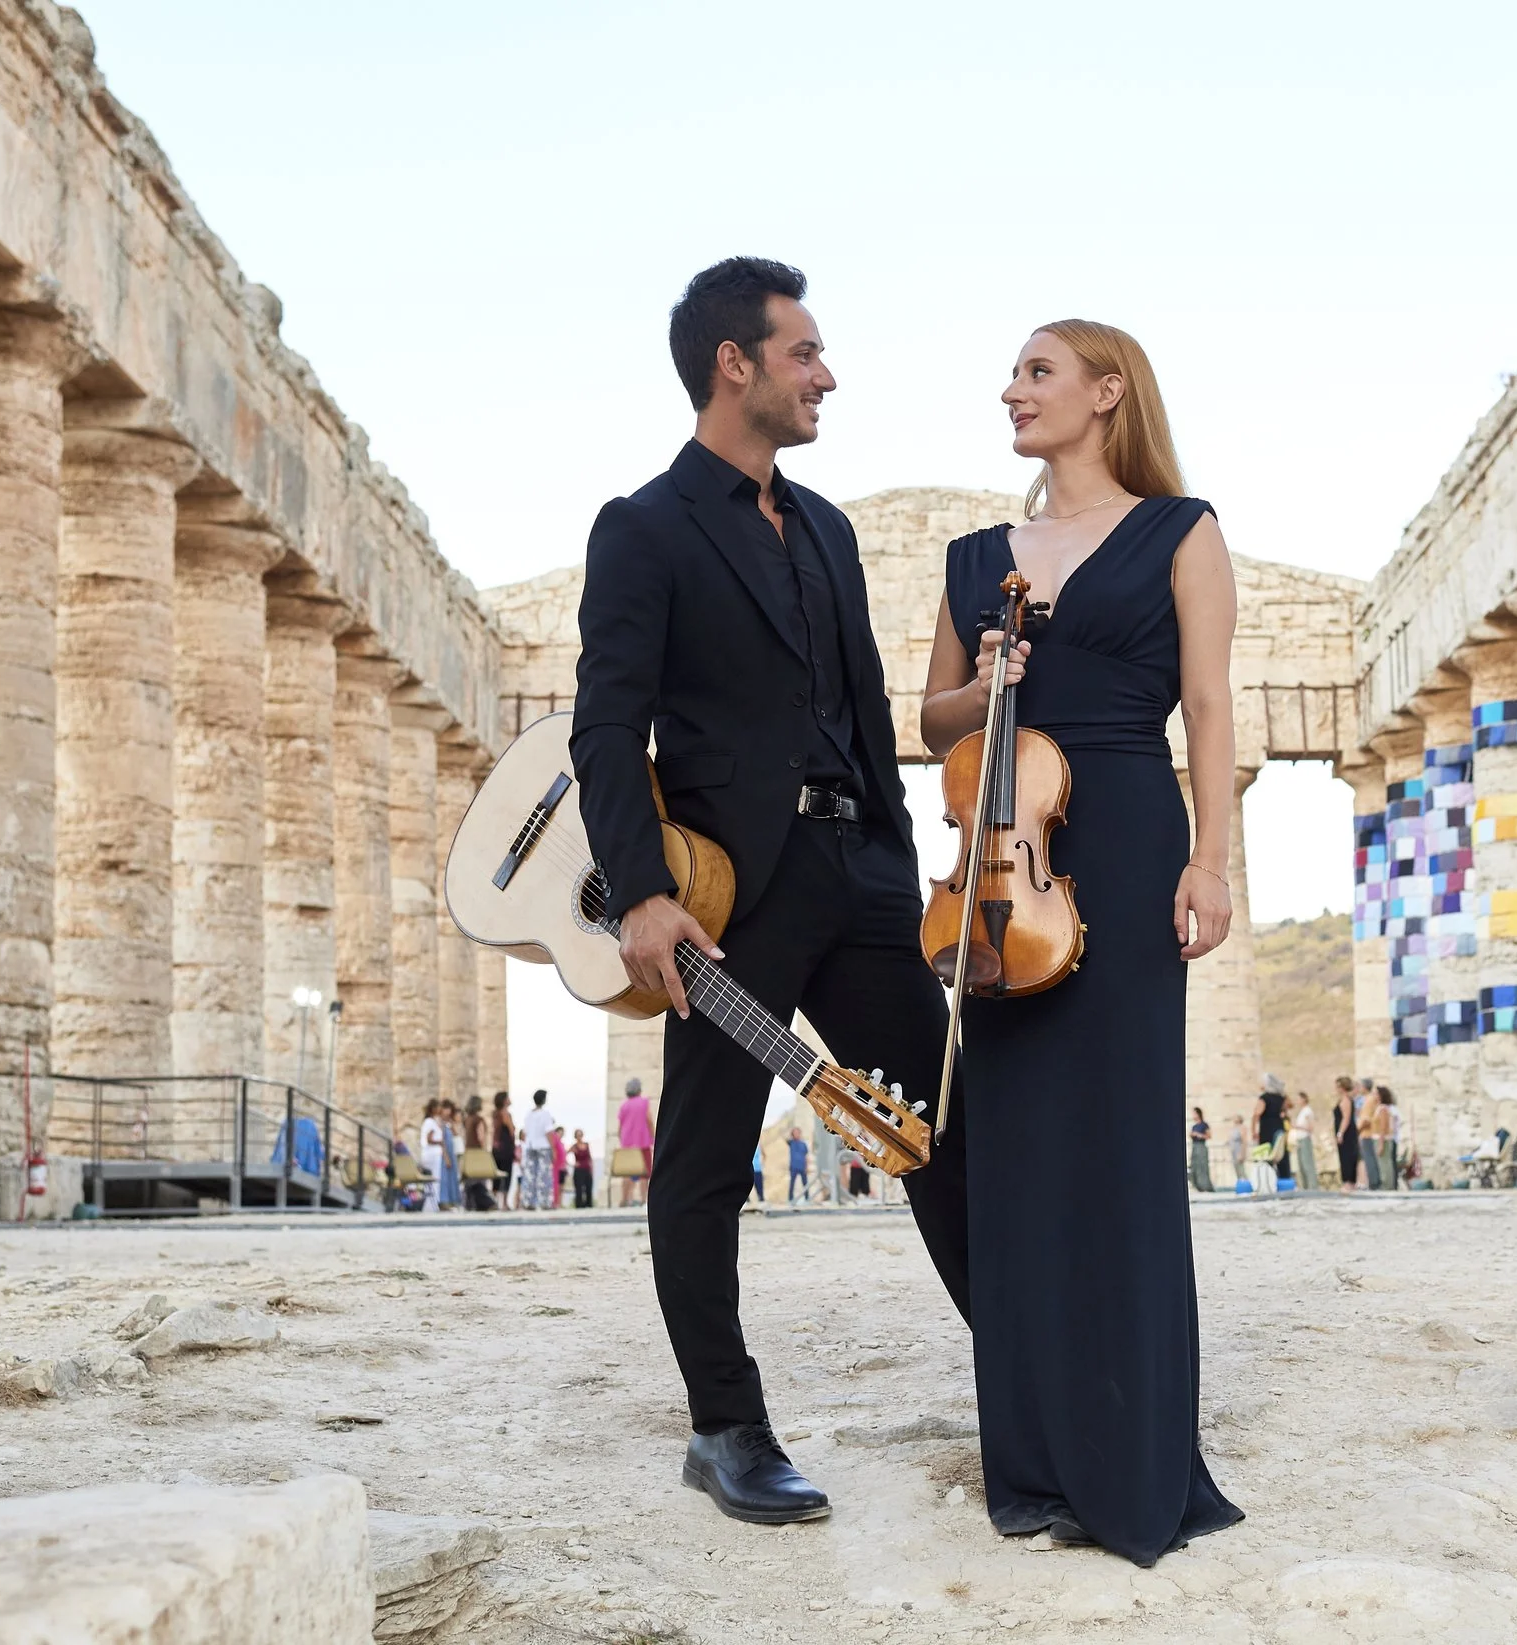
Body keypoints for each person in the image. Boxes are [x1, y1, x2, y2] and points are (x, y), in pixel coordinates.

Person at [569, 259, 970, 1525]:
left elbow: (864, 715)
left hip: (857, 875)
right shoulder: (641, 528)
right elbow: (602, 731)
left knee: (944, 1128)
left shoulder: (834, 532)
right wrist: (640, 893)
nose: (827, 374)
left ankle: (1026, 1375)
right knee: (702, 1166)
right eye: (804, 351)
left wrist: (899, 875)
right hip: (729, 899)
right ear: (733, 363)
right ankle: (725, 1425)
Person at [919, 318, 1242, 1566]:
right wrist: (985, 676)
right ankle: (1036, 1464)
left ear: (1107, 393)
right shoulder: (969, 557)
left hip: (1122, 833)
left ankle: (1135, 1459)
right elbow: (929, 715)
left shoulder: (1182, 530)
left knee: (1119, 1150)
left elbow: (1208, 706)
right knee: (1015, 1164)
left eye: (1037, 371)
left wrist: (1208, 859)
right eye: (1013, 375)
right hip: (1003, 857)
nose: (1013, 390)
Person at [614, 1078, 654, 1210]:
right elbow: (649, 1120)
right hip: (642, 1141)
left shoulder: (624, 1105)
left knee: (627, 1172)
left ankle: (625, 1199)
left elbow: (620, 1126)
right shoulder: (644, 1102)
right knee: (645, 1173)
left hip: (627, 1143)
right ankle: (644, 1199)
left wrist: (622, 1139)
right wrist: (653, 1136)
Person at [518, 1090, 560, 1212]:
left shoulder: (528, 1115)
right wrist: (553, 1148)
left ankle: (528, 1201)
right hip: (543, 1146)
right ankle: (545, 1201)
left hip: (531, 1146)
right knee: (544, 1175)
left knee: (530, 1175)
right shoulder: (545, 1114)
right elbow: (548, 1132)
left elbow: (525, 1132)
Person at [1286, 1090, 1319, 1192]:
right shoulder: (1302, 1112)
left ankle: (1312, 1186)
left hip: (1305, 1138)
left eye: (1299, 1099)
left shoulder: (1308, 1111)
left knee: (1307, 1162)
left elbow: (1310, 1127)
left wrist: (1297, 1126)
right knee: (1301, 1163)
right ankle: (1305, 1185)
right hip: (1299, 1139)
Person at [1333, 1075, 1360, 1192]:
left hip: (1347, 1133)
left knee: (1347, 1156)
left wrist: (1340, 1133)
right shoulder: (1345, 1099)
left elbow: (1346, 1118)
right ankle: (1348, 1181)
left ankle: (1349, 1182)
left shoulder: (1346, 1100)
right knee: (1345, 1155)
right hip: (1345, 1131)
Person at [490, 1091, 518, 1201]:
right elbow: (511, 1131)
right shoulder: (506, 1114)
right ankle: (505, 1202)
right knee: (507, 1174)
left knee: (496, 1175)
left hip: (497, 1148)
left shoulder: (495, 1114)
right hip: (506, 1148)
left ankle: (495, 1200)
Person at [1187, 1106, 1213, 1193]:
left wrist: (1198, 1135)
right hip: (1195, 1147)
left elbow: (1209, 1136)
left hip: (1201, 1146)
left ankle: (1205, 1186)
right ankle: (1197, 1186)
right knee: (1194, 1166)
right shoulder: (1194, 1126)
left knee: (1202, 1166)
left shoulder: (1204, 1125)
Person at [569, 1127, 595, 1209]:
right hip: (578, 1170)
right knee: (579, 1189)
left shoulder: (586, 1145)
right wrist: (572, 1164)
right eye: (578, 1135)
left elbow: (590, 1158)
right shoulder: (574, 1146)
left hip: (587, 1169)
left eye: (580, 1135)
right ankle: (579, 1205)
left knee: (588, 1187)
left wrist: (592, 1169)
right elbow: (564, 1155)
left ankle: (589, 1205)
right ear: (575, 1136)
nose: (579, 1137)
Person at [786, 1126, 810, 1203]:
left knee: (805, 1183)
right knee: (792, 1183)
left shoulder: (803, 1144)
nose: (796, 1134)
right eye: (794, 1133)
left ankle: (807, 1199)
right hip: (793, 1166)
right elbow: (784, 1137)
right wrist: (791, 1133)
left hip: (802, 1166)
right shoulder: (791, 1142)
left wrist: (807, 1167)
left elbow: (806, 1156)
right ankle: (790, 1199)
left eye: (797, 1132)